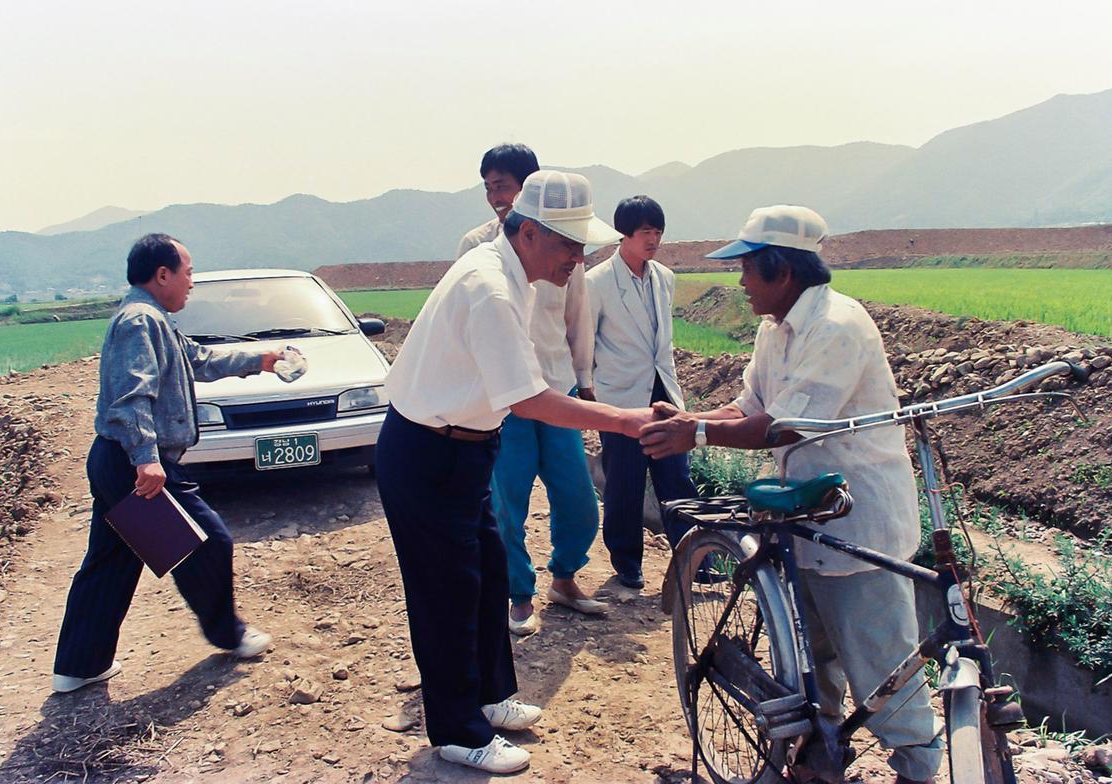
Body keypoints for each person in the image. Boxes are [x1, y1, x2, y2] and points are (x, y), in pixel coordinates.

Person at [639, 205, 944, 784]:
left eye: (749, 269)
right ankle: (817, 753)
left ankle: (918, 769)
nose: (741, 282)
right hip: (806, 513)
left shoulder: (836, 327)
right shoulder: (774, 329)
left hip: (858, 520)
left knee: (884, 661)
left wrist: (695, 432)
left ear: (782, 270)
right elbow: (751, 407)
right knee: (814, 653)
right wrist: (691, 418)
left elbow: (788, 426)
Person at [377, 171, 653, 774]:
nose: (578, 260)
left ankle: (492, 698)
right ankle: (456, 730)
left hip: (465, 445)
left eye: (583, 248)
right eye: (568, 246)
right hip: (428, 452)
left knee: (486, 573)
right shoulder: (491, 288)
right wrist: (624, 419)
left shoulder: (512, 272)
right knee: (446, 594)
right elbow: (528, 396)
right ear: (527, 232)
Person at [51, 234, 282, 693]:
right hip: (135, 466)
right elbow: (130, 397)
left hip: (117, 463)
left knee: (111, 560)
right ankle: (229, 634)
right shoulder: (140, 321)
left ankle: (77, 667)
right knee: (207, 542)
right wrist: (146, 460)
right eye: (189, 272)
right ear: (163, 275)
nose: (191, 282)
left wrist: (261, 359)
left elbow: (198, 360)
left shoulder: (152, 319)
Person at [459, 144, 604, 635]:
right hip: (507, 399)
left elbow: (576, 317)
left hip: (555, 387)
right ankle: (518, 594)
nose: (495, 196)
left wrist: (584, 382)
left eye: (502, 185)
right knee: (507, 501)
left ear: (529, 189)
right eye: (489, 187)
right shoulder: (478, 249)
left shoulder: (566, 246)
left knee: (578, 497)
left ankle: (564, 579)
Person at [586, 195, 699, 590]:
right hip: (620, 396)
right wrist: (587, 389)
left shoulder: (664, 278)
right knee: (624, 482)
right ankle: (627, 561)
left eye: (658, 231)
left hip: (663, 391)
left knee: (676, 478)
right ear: (624, 235)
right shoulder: (596, 282)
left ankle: (694, 557)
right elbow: (584, 340)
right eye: (645, 231)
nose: (654, 239)